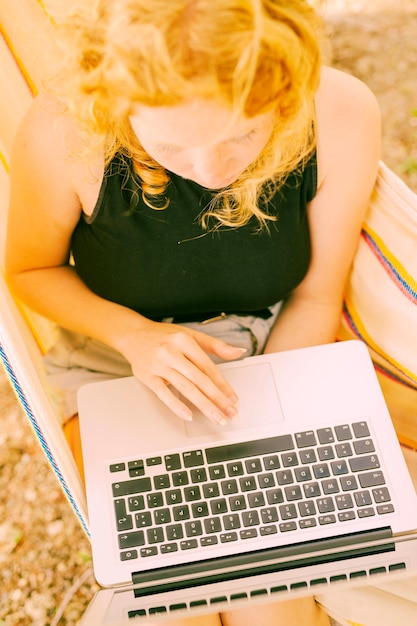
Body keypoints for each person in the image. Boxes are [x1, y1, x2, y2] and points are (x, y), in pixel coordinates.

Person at [5, 1, 380, 624]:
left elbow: (315, 296)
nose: (211, 169)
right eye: (173, 141)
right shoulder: (67, 131)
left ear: (285, 90)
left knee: (274, 602)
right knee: (177, 598)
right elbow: (29, 272)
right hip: (113, 367)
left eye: (242, 133)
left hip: (273, 349)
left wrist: (271, 428)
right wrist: (135, 337)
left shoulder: (338, 112)